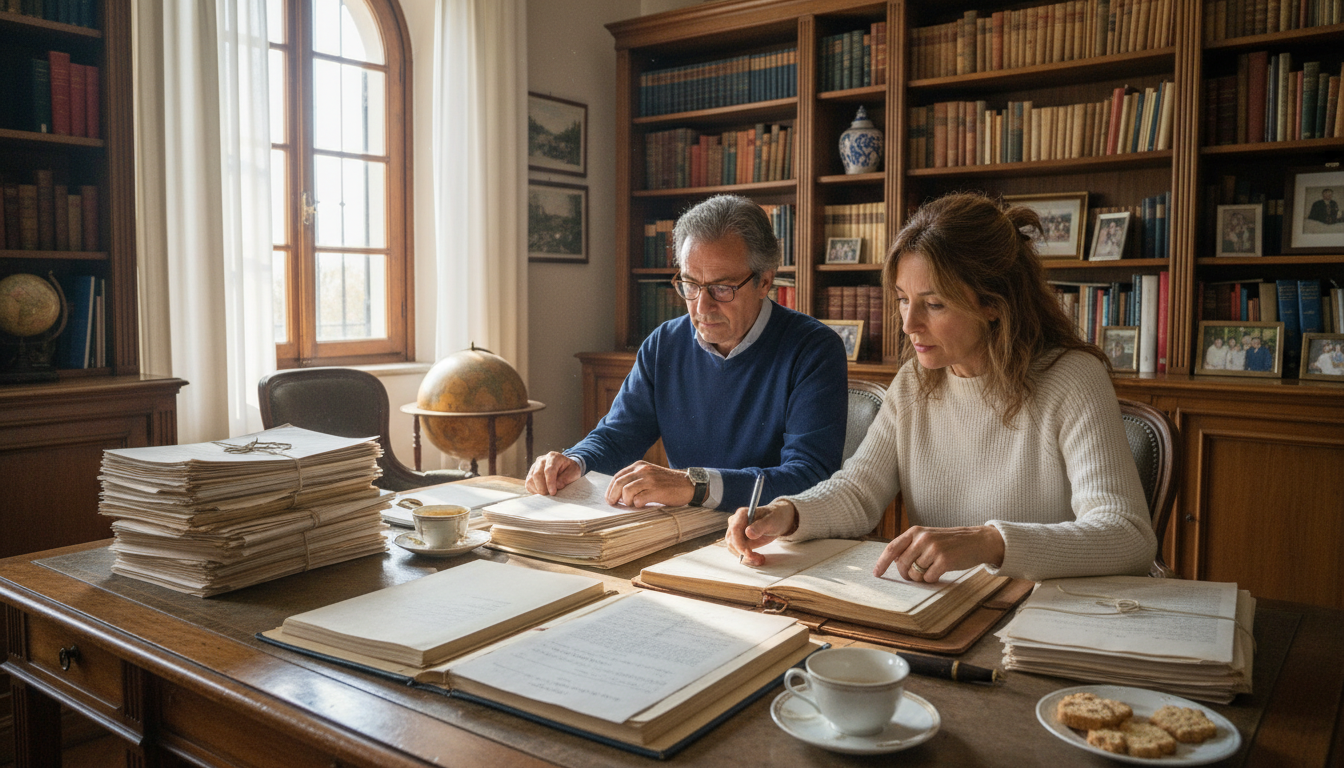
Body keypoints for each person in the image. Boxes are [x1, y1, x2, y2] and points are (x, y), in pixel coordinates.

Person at [726, 192, 1156, 583]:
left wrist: (991, 542)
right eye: (902, 299)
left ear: (993, 302)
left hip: (1046, 618)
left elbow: (1129, 535)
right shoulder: (916, 380)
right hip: (947, 609)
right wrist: (787, 513)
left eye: (933, 304)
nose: (909, 324)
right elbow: (858, 491)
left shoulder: (1073, 378)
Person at [525, 194, 848, 511]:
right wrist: (576, 459)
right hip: (681, 529)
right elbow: (618, 435)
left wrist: (695, 485)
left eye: (722, 288)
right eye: (691, 285)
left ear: (764, 281)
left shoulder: (813, 349)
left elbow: (808, 476)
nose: (702, 307)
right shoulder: (664, 343)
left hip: (769, 537)